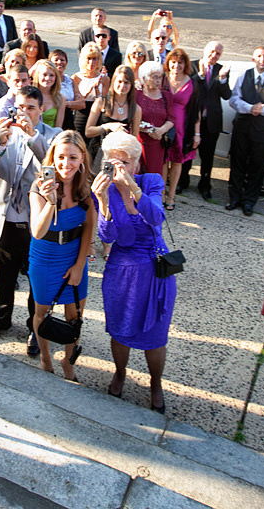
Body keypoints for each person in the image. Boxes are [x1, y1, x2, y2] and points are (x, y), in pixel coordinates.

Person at [0, 86, 62, 354]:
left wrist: (33, 137)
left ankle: (36, 326)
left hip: (37, 222)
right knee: (2, 275)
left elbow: (53, 171)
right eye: (20, 107)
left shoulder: (53, 136)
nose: (24, 113)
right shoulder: (4, 133)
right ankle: (1, 318)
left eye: (30, 108)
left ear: (41, 110)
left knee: (38, 279)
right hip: (4, 217)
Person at [93, 131, 175, 414]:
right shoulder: (103, 190)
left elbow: (156, 218)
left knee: (155, 333)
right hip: (122, 268)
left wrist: (132, 192)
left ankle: (155, 383)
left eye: (124, 162)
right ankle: (120, 372)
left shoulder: (150, 182)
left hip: (154, 269)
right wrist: (103, 201)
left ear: (136, 165)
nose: (118, 168)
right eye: (112, 161)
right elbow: (114, 237)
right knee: (120, 328)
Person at [29, 130, 96, 381]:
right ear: (52, 157)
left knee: (75, 315)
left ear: (81, 161)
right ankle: (46, 357)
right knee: (42, 311)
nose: (65, 164)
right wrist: (50, 201)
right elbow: (37, 230)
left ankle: (68, 362)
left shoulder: (84, 188)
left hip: (73, 255)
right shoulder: (39, 186)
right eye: (60, 157)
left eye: (72, 158)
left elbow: (90, 226)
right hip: (45, 257)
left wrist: (79, 266)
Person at [226, 46, 264, 217]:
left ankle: (249, 201)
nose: (262, 59)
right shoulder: (244, 76)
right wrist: (250, 108)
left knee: (257, 166)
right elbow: (234, 99)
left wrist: (262, 109)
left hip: (263, 130)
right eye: (259, 56)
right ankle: (234, 198)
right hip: (242, 126)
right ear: (253, 59)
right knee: (238, 162)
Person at [162, 49, 203, 211]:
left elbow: (197, 110)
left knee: (177, 162)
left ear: (185, 64)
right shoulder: (162, 80)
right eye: (173, 61)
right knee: (164, 161)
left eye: (180, 62)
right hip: (164, 126)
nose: (176, 65)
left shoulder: (192, 83)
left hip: (182, 129)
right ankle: (162, 194)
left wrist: (197, 134)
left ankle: (172, 195)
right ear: (168, 63)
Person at [189, 41, 230, 200]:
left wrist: (222, 79)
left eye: (218, 53)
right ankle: (183, 181)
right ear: (204, 50)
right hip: (193, 119)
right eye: (211, 51)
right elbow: (189, 87)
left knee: (207, 156)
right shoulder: (192, 65)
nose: (214, 55)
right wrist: (199, 75)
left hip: (211, 121)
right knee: (188, 153)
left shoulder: (222, 70)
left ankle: (205, 185)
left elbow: (226, 95)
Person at [85, 66, 141, 160]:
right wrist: (108, 126)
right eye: (119, 81)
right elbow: (88, 132)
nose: (122, 86)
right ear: (113, 82)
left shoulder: (136, 109)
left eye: (126, 83)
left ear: (131, 85)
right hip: (98, 153)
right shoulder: (101, 102)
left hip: (120, 156)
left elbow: (134, 138)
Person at [135, 61, 174, 175]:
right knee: (135, 174)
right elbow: (129, 117)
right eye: (154, 77)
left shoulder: (166, 96)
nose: (158, 81)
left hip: (156, 143)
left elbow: (172, 119)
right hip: (138, 141)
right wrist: (145, 129)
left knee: (153, 176)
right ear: (144, 78)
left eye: (160, 77)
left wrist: (161, 130)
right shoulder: (136, 94)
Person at [72, 42, 109, 151]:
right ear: (83, 59)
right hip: (81, 115)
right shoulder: (76, 77)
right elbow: (75, 102)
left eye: (94, 58)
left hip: (97, 117)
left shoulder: (105, 79)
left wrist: (97, 90)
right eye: (88, 58)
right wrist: (88, 92)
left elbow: (105, 102)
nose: (91, 62)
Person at [0, 64, 31, 135]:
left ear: (29, 81)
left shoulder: (32, 105)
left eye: (24, 80)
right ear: (8, 82)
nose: (20, 84)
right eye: (16, 81)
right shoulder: (1, 110)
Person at [50, 49, 84, 131]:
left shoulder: (70, 81)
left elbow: (82, 104)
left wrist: (64, 103)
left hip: (68, 119)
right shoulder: (48, 81)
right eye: (56, 60)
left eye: (62, 60)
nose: (59, 62)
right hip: (53, 118)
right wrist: (73, 104)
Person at [29, 59, 66, 129]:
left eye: (51, 75)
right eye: (44, 74)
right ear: (37, 76)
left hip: (51, 137)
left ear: (56, 78)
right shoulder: (29, 96)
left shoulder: (60, 98)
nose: (48, 78)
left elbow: (58, 128)